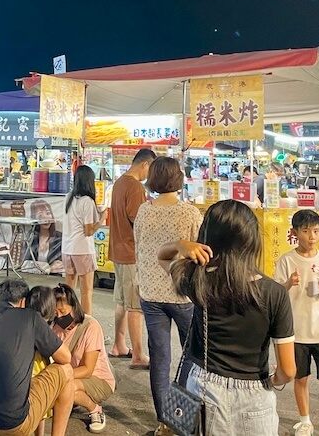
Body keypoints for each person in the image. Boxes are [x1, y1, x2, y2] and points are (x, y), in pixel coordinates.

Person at [159, 200, 296, 435]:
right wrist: (274, 379)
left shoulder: (197, 281)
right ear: (252, 240)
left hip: (205, 388)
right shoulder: (275, 293)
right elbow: (288, 371)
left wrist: (181, 245)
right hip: (256, 394)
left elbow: (162, 257)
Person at [133, 156, 202, 436]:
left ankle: (164, 423)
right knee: (191, 356)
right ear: (179, 178)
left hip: (150, 293)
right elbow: (201, 251)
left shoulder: (144, 211)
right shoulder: (189, 213)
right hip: (182, 295)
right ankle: (181, 417)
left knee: (159, 358)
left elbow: (139, 245)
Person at [0, 278, 75, 436]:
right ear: (23, 302)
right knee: (66, 371)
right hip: (12, 424)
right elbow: (65, 357)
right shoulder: (31, 318)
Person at [274, 209, 319, 436]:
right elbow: (276, 294)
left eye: (315, 231)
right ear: (295, 233)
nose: (312, 236)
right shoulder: (287, 260)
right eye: (306, 231)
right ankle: (305, 421)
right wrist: (287, 284)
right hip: (297, 331)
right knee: (300, 379)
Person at [108, 148, 155, 367]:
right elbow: (140, 221)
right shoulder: (135, 187)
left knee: (122, 301)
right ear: (145, 164)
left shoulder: (119, 182)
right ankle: (137, 354)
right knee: (135, 305)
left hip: (118, 250)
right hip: (130, 252)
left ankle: (119, 344)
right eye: (151, 168)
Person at [51, 283, 115, 433]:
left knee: (66, 388)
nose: (59, 316)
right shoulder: (55, 328)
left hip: (97, 378)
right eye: (55, 313)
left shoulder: (91, 326)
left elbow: (88, 370)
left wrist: (58, 377)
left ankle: (95, 410)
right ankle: (70, 399)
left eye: (62, 311)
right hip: (69, 375)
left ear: (74, 306)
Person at [62, 165, 102, 315]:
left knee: (68, 290)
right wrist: (102, 218)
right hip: (83, 250)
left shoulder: (68, 197)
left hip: (67, 249)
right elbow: (89, 230)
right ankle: (86, 324)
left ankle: (66, 319)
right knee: (87, 292)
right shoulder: (87, 201)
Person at [26, 285, 58, 436]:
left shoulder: (24, 323)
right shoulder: (43, 328)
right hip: (39, 367)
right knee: (41, 405)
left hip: (25, 369)